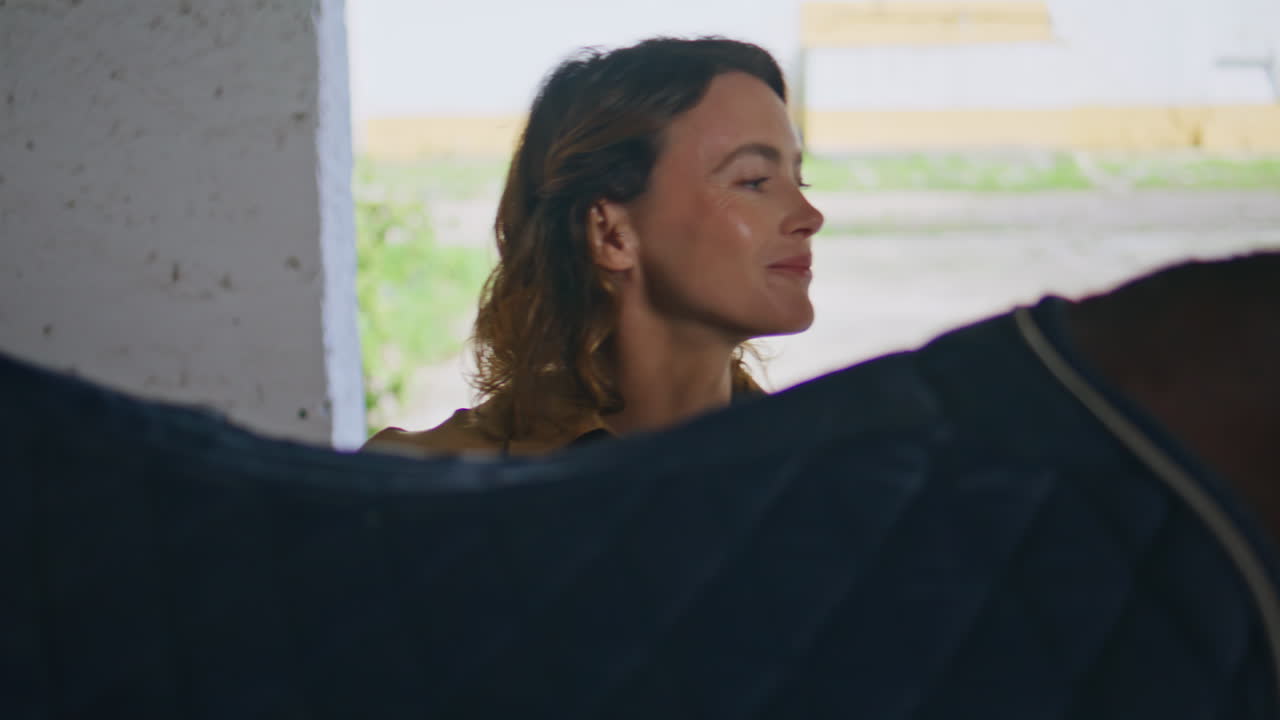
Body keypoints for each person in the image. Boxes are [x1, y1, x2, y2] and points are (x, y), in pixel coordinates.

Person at [363, 36, 824, 456]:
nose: (810, 217)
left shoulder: (825, 478)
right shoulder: (422, 486)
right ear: (611, 234)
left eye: (798, 179)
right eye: (754, 181)